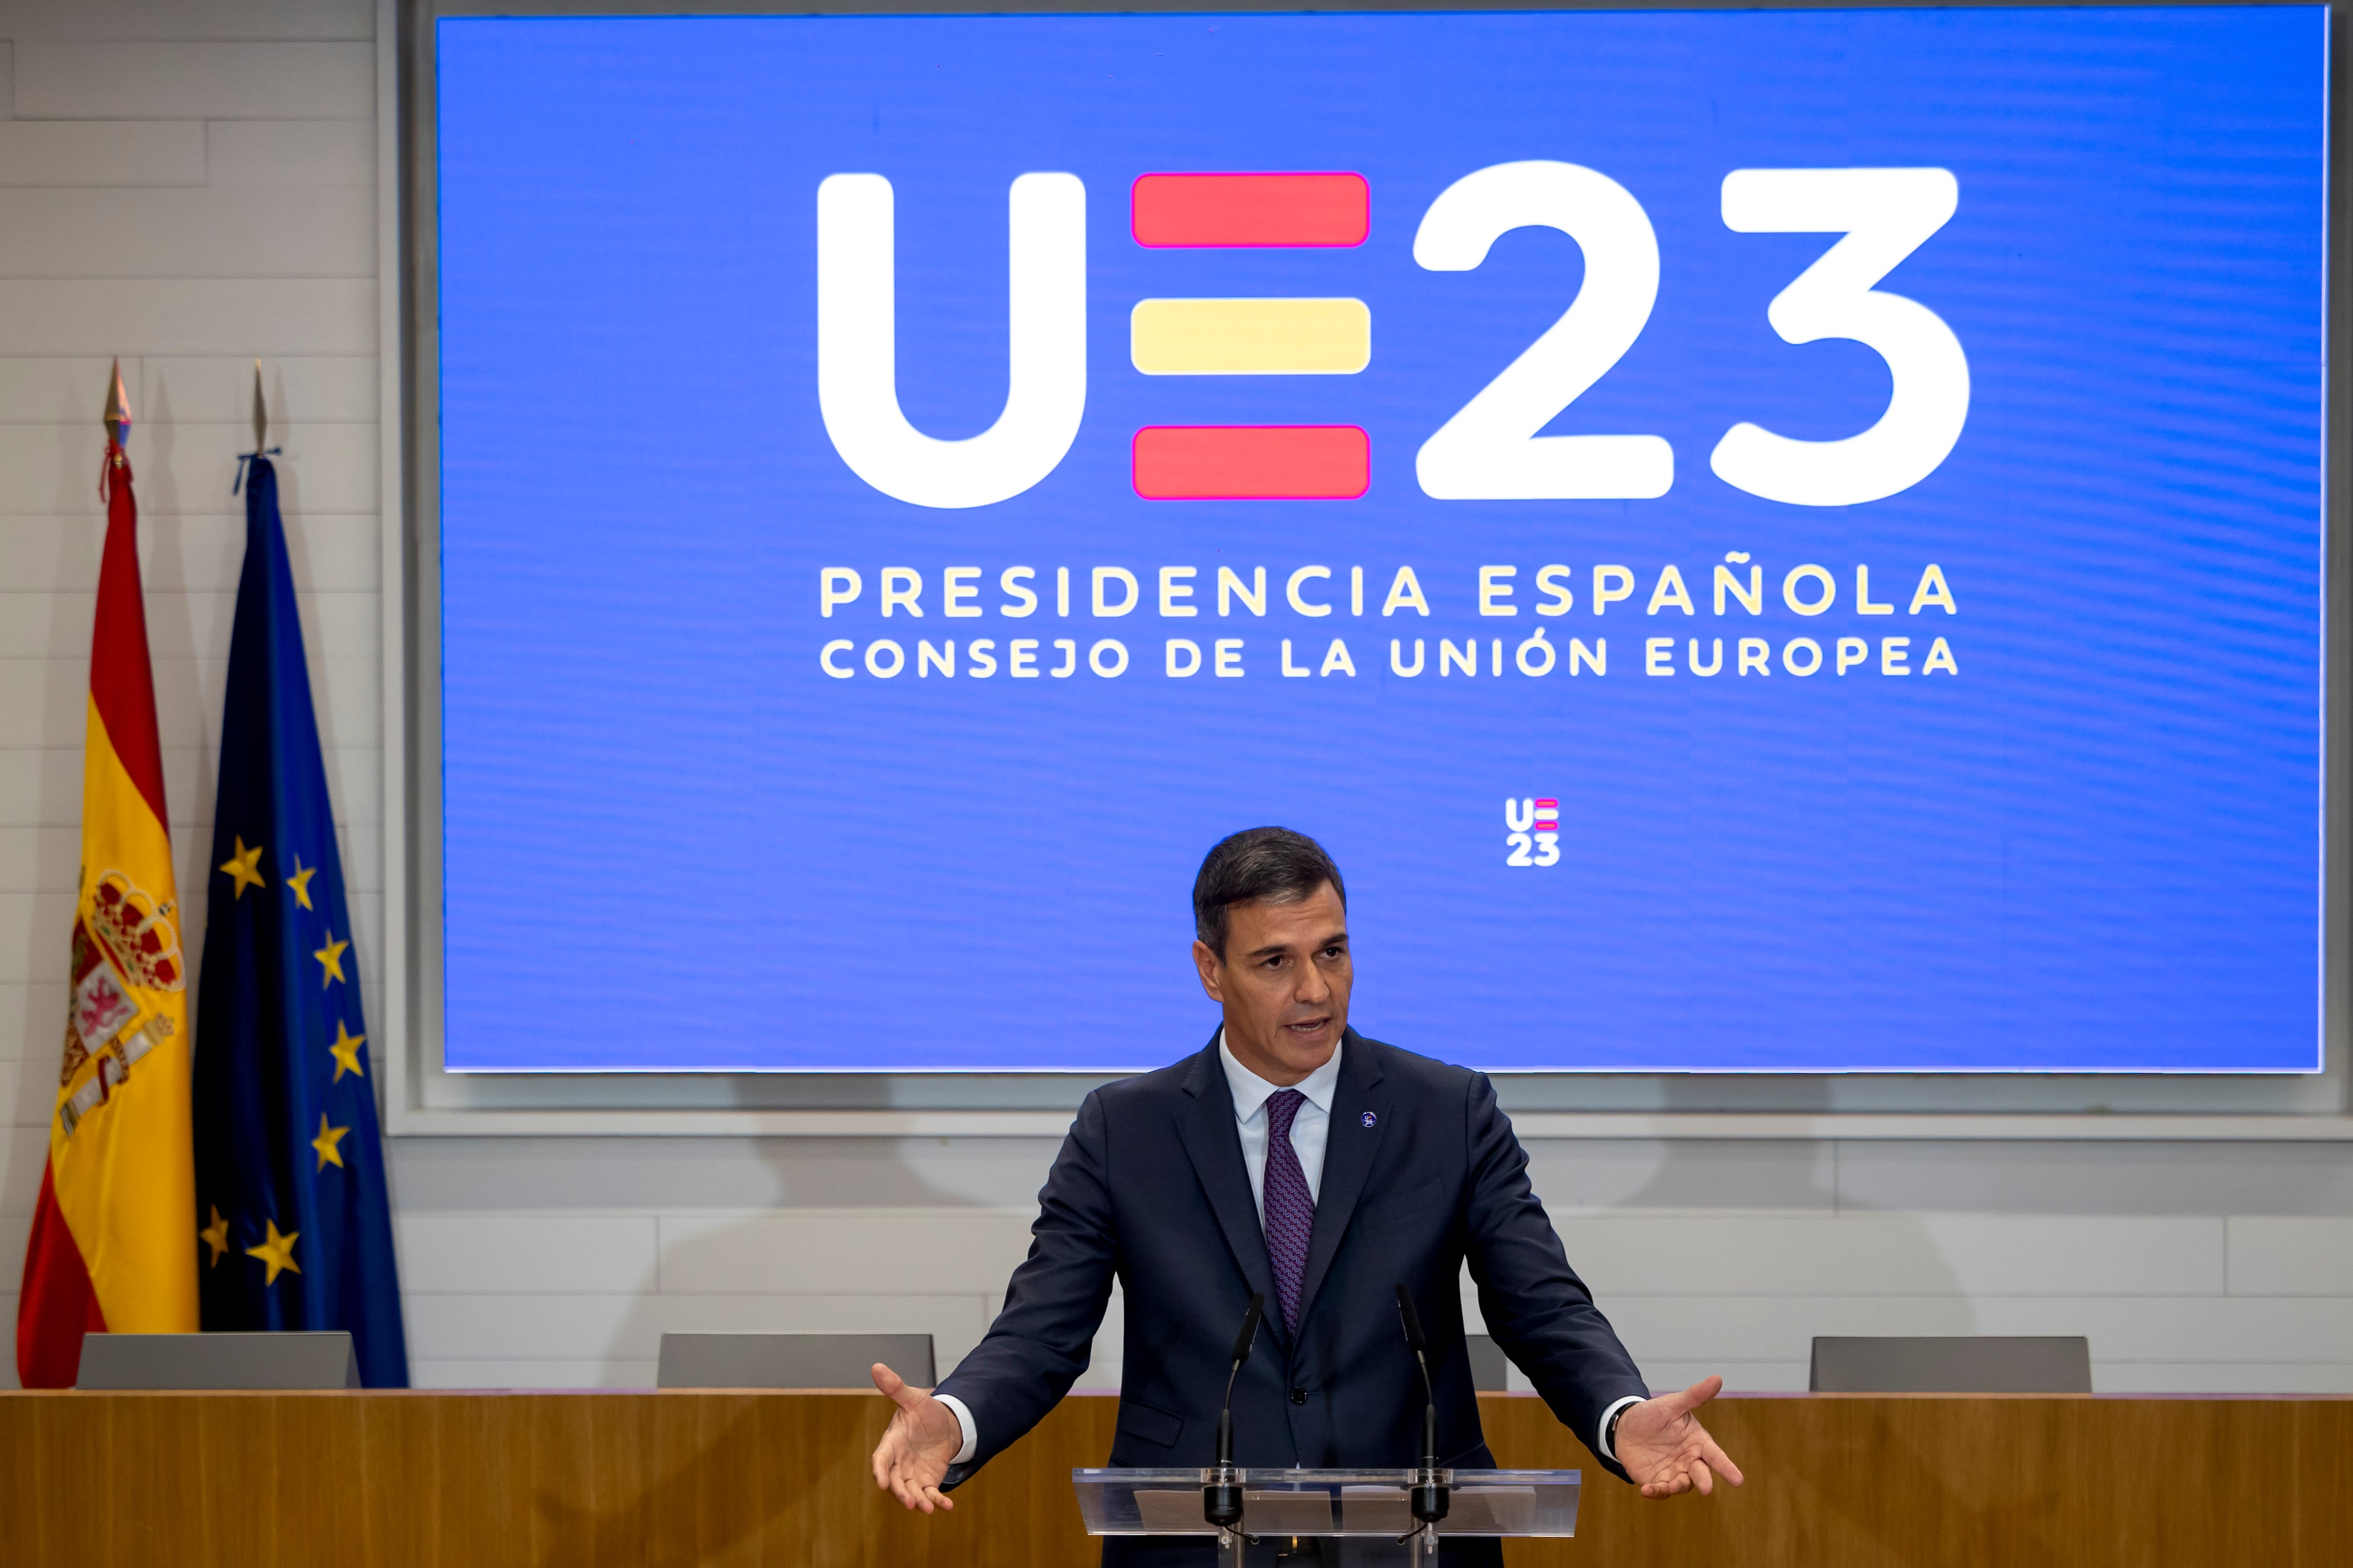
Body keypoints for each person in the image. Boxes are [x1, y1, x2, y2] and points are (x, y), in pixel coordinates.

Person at [870, 827, 1742, 1559]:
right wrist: (956, 1417)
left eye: (1332, 950)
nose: (1316, 989)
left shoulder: (1446, 1110)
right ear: (1210, 969)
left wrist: (1617, 1409)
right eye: (1275, 961)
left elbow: (1540, 1303)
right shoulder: (1123, 1129)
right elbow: (1044, 1327)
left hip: (1413, 1537)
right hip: (1192, 1541)